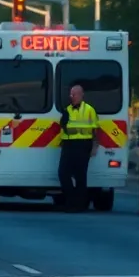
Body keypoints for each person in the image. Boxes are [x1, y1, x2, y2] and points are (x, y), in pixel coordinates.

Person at [57, 84, 98, 212]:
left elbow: (95, 130)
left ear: (81, 95)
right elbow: (63, 126)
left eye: (74, 94)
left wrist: (94, 147)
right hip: (69, 145)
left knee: (81, 176)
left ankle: (79, 205)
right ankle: (71, 201)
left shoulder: (89, 109)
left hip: (83, 145)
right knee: (63, 173)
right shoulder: (67, 110)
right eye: (71, 94)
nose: (72, 96)